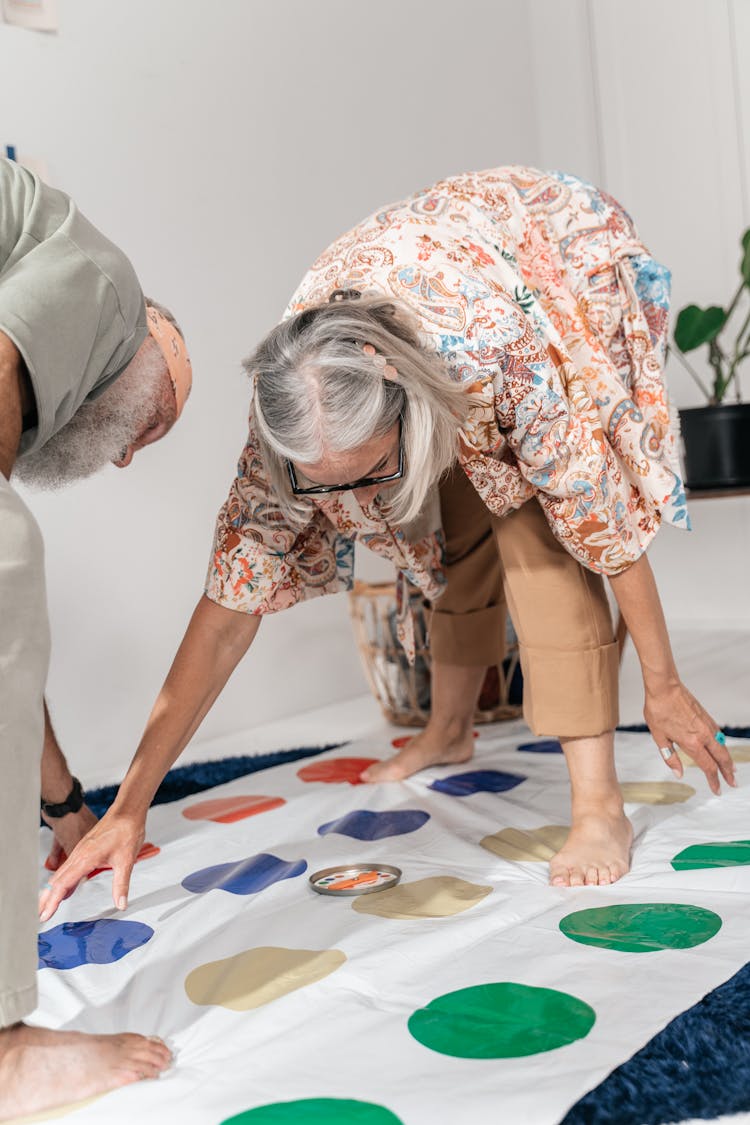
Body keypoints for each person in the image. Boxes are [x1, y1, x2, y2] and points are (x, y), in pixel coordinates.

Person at [40, 165, 735, 931]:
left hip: (543, 252)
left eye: (366, 474)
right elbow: (230, 607)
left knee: (538, 536)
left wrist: (664, 683)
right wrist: (129, 806)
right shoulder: (291, 414)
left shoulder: (496, 355)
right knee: (452, 527)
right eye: (320, 486)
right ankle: (450, 727)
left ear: (406, 405)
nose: (343, 506)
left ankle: (600, 801)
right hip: (429, 293)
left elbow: (599, 519)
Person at [0, 156, 190, 1120]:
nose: (123, 450)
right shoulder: (109, 287)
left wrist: (67, 805)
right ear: (148, 347)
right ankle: (1, 1050)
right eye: (158, 415)